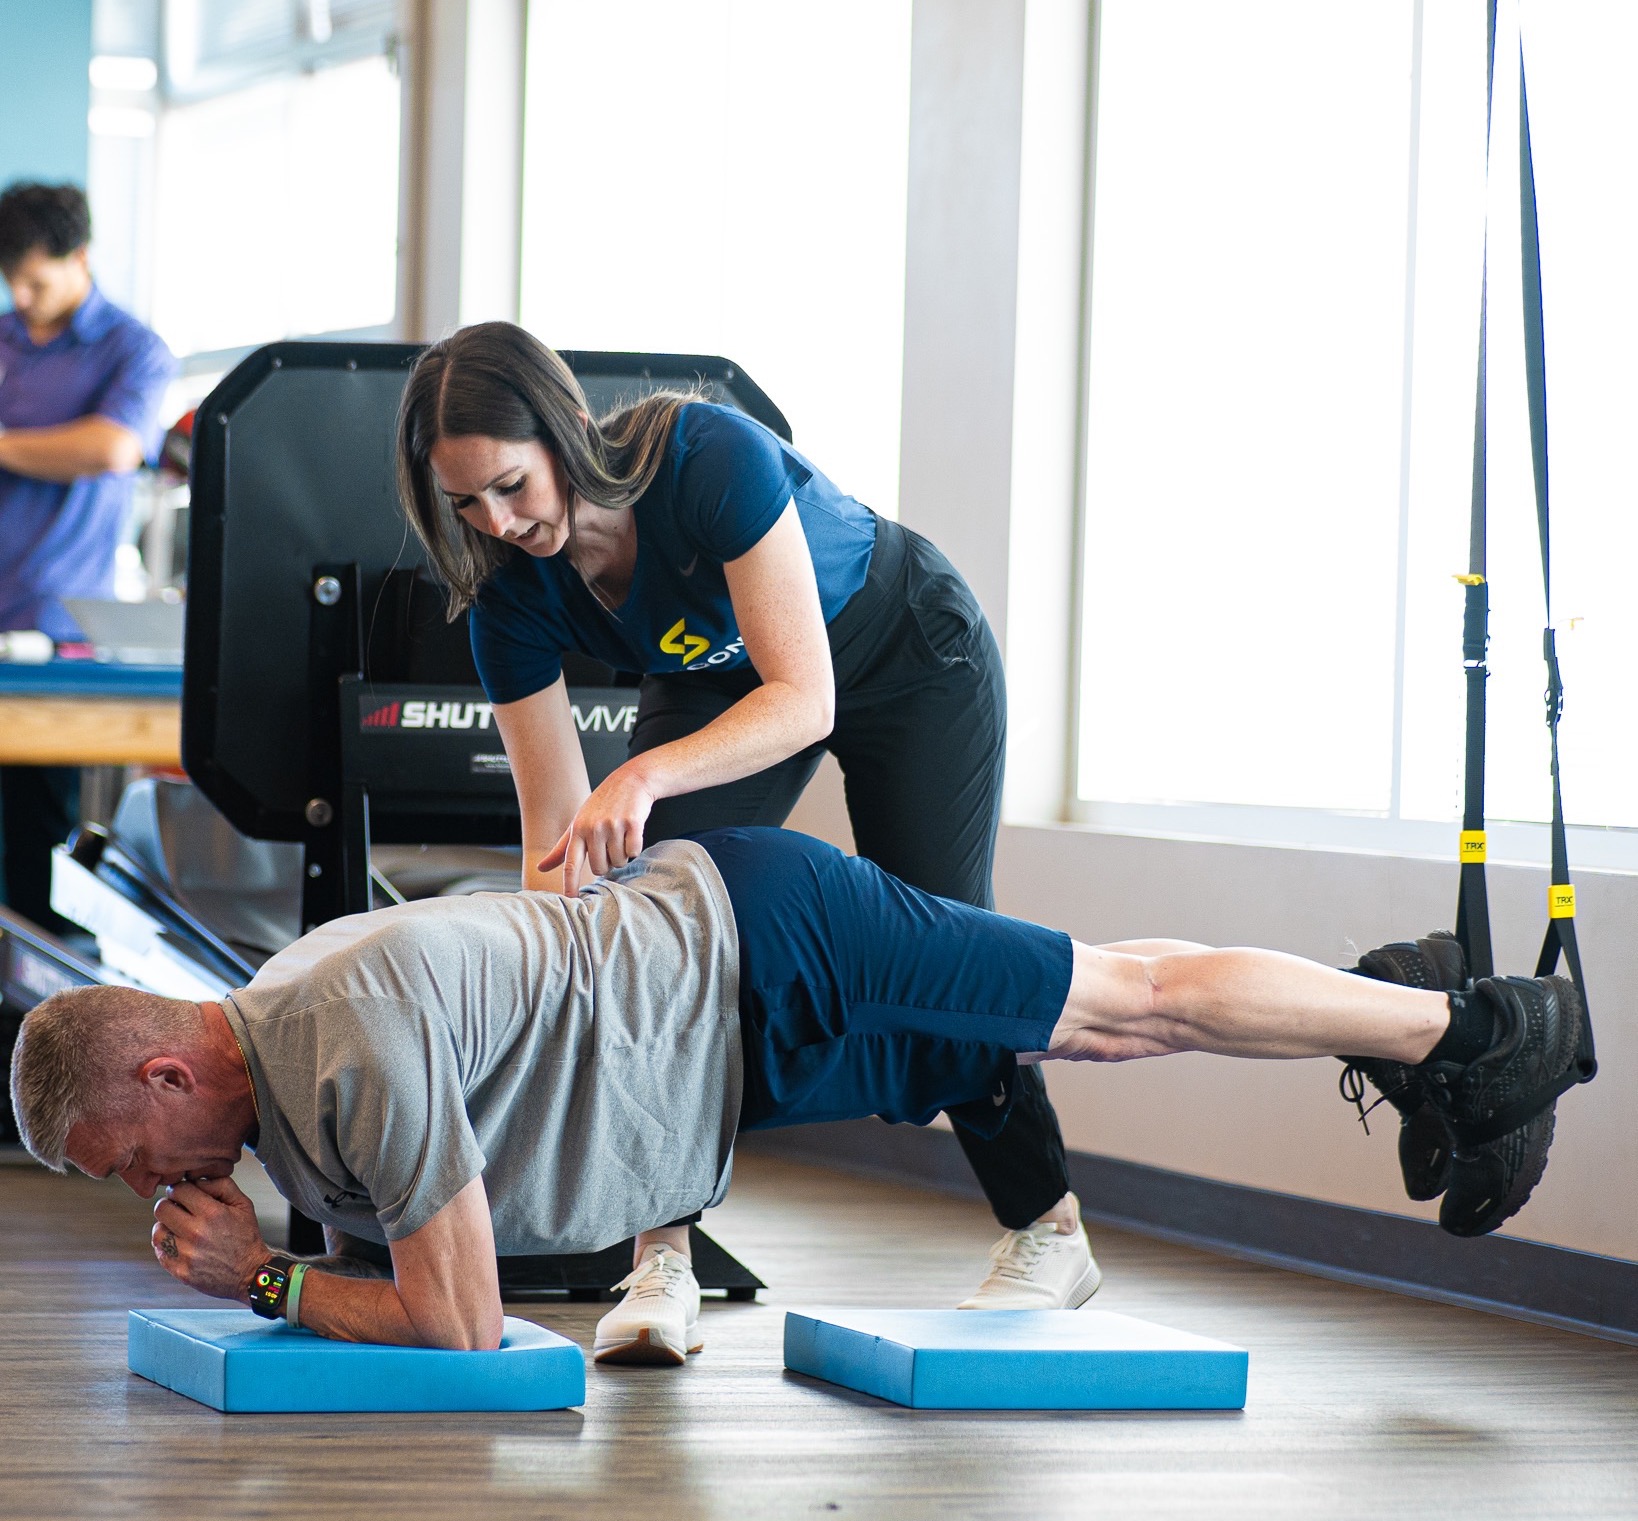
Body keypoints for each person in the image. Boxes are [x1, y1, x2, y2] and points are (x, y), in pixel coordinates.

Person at [10, 826, 1578, 1360]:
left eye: (123, 1156)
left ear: (165, 1069)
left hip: (772, 945)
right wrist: (284, 1254)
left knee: (1121, 1006)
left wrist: (265, 1277)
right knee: (1088, 1021)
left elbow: (464, 1320)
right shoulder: (282, 1043)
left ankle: (1477, 1023)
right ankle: (1398, 1008)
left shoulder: (340, 1034)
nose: (145, 1186)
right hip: (733, 1038)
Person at [395, 322, 1090, 1338]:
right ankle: (659, 1260)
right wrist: (569, 970)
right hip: (714, 679)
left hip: (904, 649)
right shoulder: (507, 598)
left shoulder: (707, 456)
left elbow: (804, 697)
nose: (497, 522)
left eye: (511, 485)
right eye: (465, 503)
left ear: (566, 428)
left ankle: (1048, 1228)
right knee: (647, 937)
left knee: (941, 950)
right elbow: (554, 828)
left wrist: (642, 772)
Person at [0, 182, 177, 930]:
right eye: (10, 281)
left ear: (80, 258)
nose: (21, 297)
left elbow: (112, 447)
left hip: (55, 627)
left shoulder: (133, 349)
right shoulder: (5, 336)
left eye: (35, 281)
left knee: (36, 846)